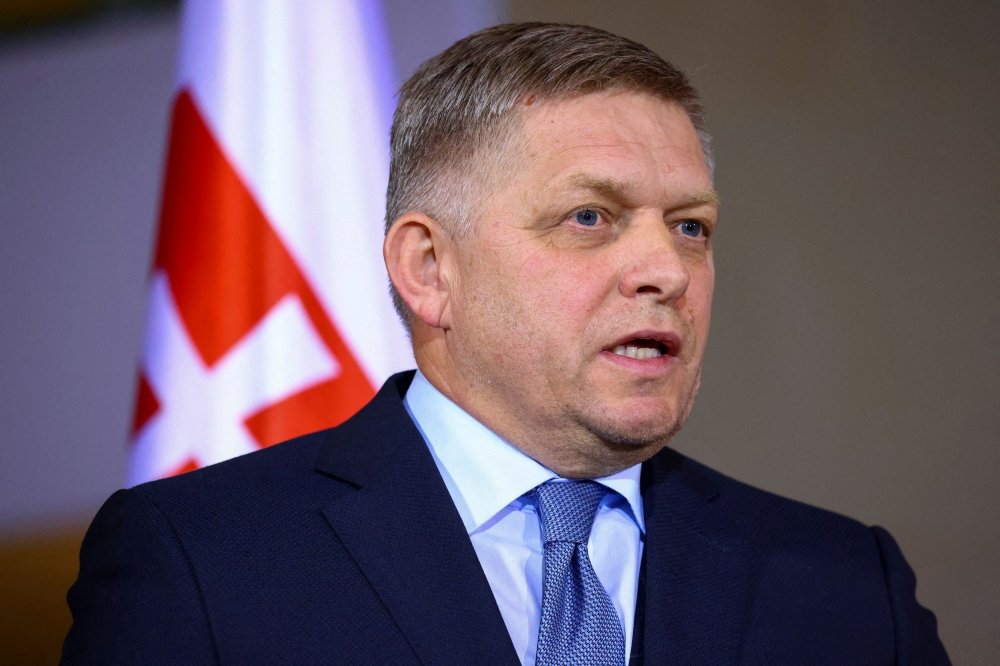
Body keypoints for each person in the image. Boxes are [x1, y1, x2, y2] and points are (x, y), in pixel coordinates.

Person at [61, 23, 950, 665]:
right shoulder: (203, 560)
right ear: (429, 267)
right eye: (590, 217)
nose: (667, 271)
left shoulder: (843, 586)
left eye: (690, 226)